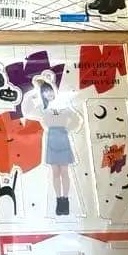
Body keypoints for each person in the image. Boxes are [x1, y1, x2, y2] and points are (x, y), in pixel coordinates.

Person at [26, 72, 81, 216]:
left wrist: (68, 129)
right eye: (45, 92)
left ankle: (66, 200)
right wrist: (32, 94)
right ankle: (59, 201)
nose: (49, 94)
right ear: (42, 94)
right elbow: (28, 112)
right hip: (51, 139)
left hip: (63, 138)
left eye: (50, 90)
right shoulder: (43, 109)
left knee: (65, 172)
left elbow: (77, 119)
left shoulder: (63, 105)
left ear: (53, 90)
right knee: (55, 172)